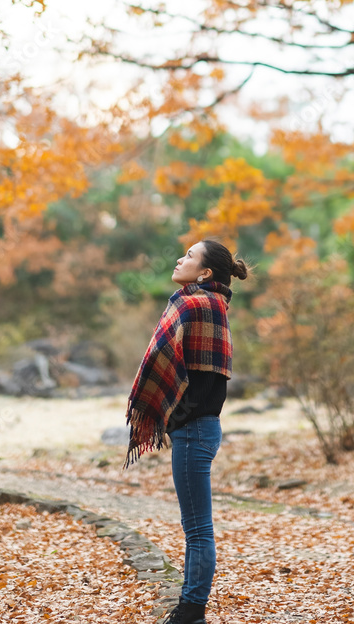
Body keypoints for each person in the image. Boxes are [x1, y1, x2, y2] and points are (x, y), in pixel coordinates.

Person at [124, 238, 248, 624]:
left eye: (190, 256)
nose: (181, 258)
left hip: (195, 431)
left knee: (197, 529)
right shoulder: (210, 305)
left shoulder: (196, 304)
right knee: (195, 526)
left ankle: (191, 611)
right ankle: (190, 607)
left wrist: (177, 417)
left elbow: (203, 380)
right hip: (196, 429)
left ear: (206, 272)